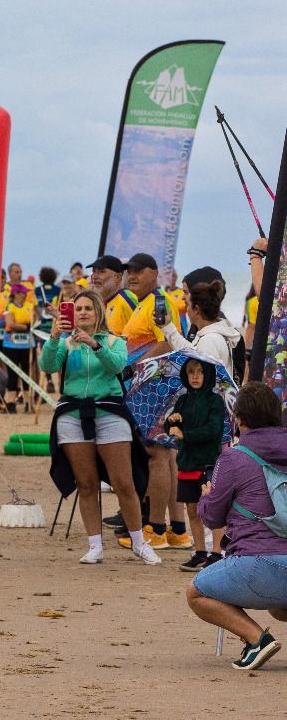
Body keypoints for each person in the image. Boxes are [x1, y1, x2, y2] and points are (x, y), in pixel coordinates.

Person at [40, 287, 160, 564]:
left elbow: (117, 366)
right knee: (86, 483)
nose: (82, 313)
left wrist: (94, 344)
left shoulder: (114, 341)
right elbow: (47, 365)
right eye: (78, 309)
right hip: (72, 413)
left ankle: (139, 542)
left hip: (109, 411)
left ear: (98, 312)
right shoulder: (66, 343)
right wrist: (55, 336)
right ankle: (95, 545)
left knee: (123, 483)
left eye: (88, 308)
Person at [187, 382, 287, 671]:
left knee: (196, 592)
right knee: (280, 607)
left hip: (258, 561)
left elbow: (212, 518)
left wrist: (206, 497)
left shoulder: (234, 457)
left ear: (239, 419)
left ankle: (257, 640)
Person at [120, 251, 187, 550]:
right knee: (168, 457)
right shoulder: (144, 303)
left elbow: (166, 341)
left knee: (156, 456)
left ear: (154, 272)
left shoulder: (159, 302)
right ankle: (177, 529)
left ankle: (156, 529)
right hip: (155, 383)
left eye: (138, 270)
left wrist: (135, 367)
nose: (131, 275)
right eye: (128, 271)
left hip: (155, 384)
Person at [166, 352, 229, 570]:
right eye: (191, 372)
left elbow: (213, 431)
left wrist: (186, 435)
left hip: (208, 463)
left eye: (200, 372)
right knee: (192, 510)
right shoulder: (182, 401)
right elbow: (172, 428)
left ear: (208, 375)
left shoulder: (215, 401)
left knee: (212, 510)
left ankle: (217, 553)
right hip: (186, 464)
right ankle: (200, 552)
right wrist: (171, 421)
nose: (195, 376)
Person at [0, 283, 33, 414]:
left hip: (26, 344)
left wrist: (23, 325)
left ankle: (28, 403)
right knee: (12, 373)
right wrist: (25, 327)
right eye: (23, 293)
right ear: (17, 294)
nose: (25, 296)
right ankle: (11, 403)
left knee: (26, 372)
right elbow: (10, 324)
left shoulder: (29, 306)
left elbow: (34, 320)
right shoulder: (9, 306)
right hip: (11, 345)